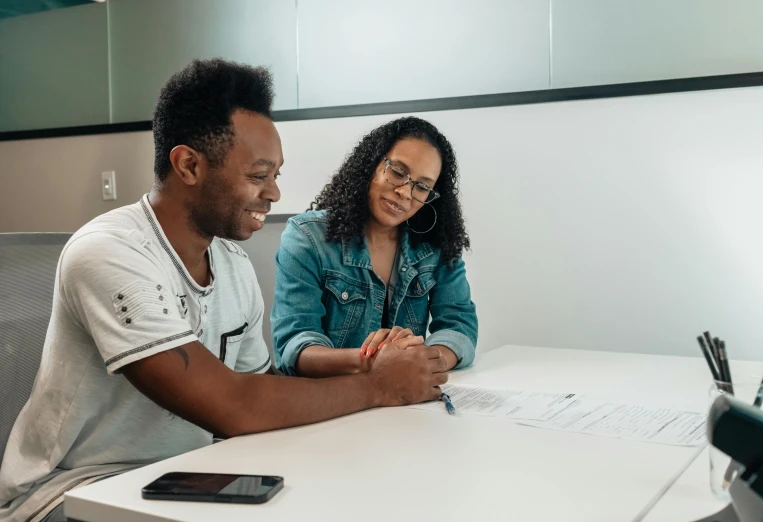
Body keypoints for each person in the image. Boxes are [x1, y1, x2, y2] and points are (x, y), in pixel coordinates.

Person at [0, 60, 447, 522]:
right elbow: (234, 405)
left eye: (276, 175)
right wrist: (378, 386)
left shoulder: (233, 263)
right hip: (75, 491)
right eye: (258, 176)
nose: (274, 193)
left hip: (191, 476)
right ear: (189, 165)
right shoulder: (108, 253)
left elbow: (262, 388)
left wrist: (374, 374)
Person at [272, 116, 478, 378]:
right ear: (371, 163)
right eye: (398, 172)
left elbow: (460, 325)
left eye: (422, 186)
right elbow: (294, 347)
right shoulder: (306, 238)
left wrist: (423, 360)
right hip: (330, 402)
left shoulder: (437, 245)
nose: (404, 192)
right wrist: (376, 362)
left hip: (403, 403)